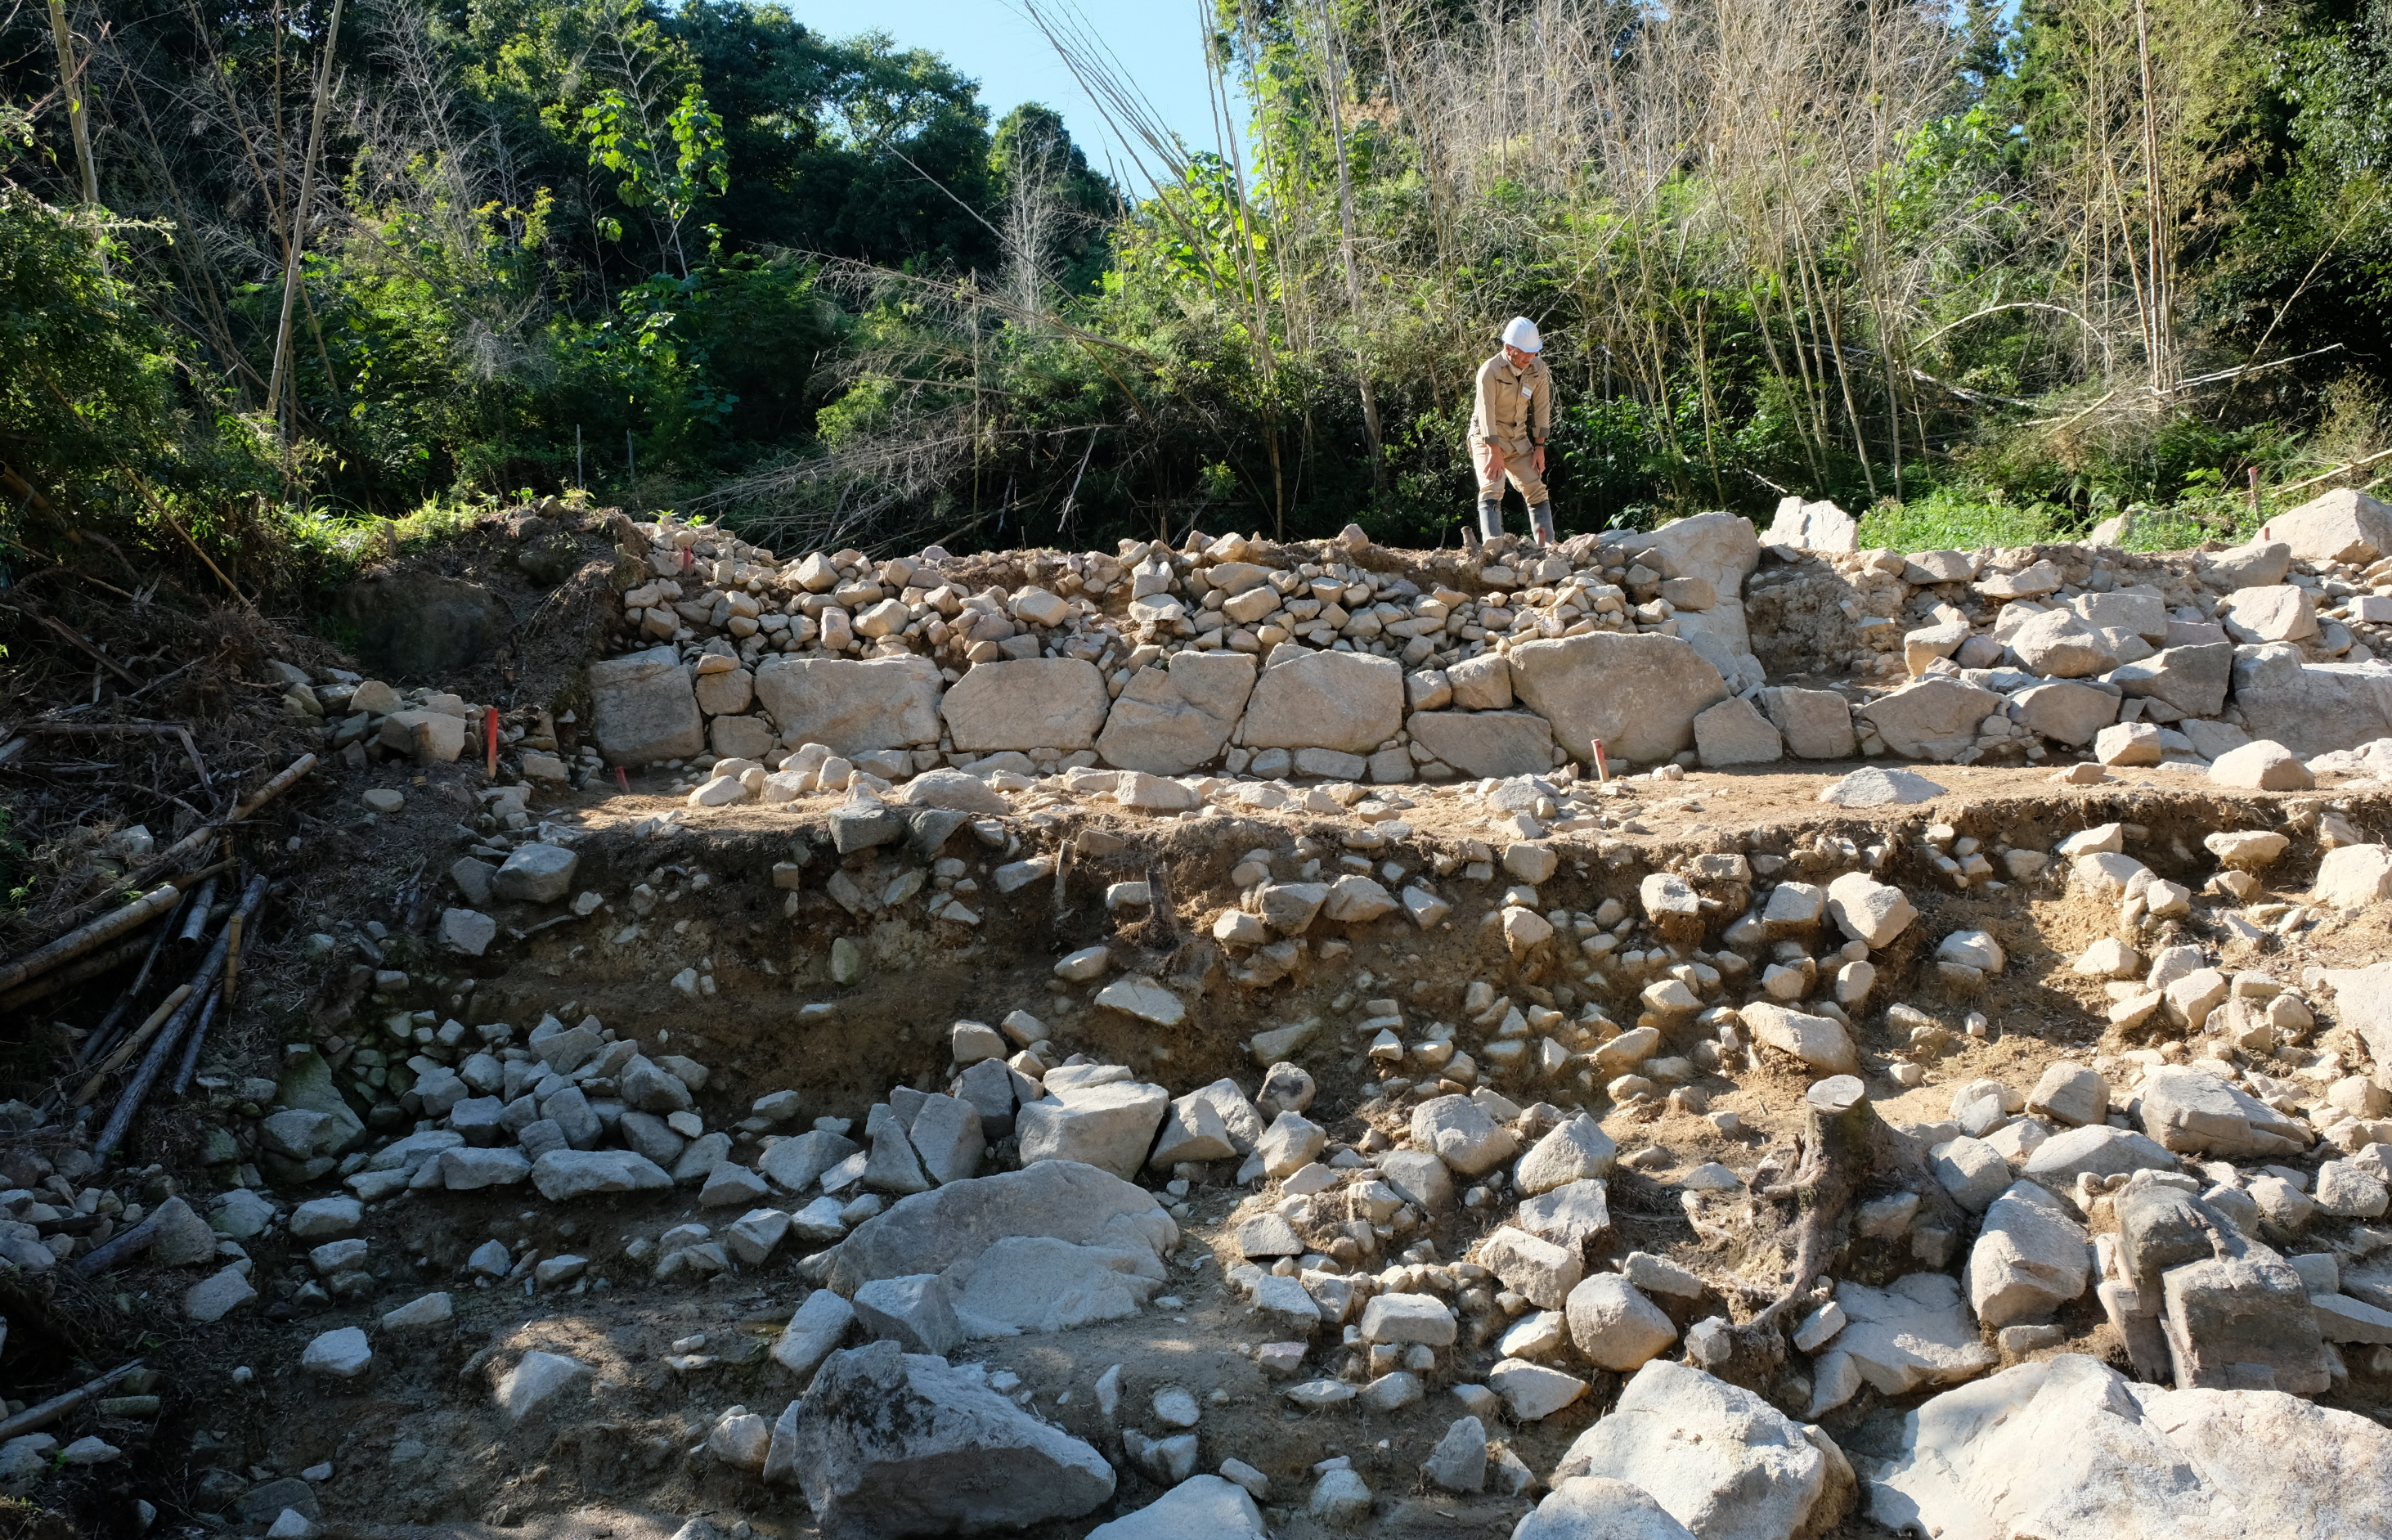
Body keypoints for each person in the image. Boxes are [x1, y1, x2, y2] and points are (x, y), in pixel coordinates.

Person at [1470, 316, 1555, 546]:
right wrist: (1493, 450)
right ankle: (1493, 548)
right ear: (1509, 348)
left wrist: (1539, 447)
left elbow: (1542, 408)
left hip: (1518, 439)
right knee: (1492, 487)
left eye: (1533, 352)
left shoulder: (1538, 369)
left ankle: (1546, 547)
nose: (1530, 357)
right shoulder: (1489, 371)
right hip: (1487, 437)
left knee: (1535, 486)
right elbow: (1486, 413)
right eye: (1525, 353)